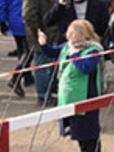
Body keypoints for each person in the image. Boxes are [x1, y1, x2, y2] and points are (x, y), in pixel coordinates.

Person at [39, 20, 104, 152]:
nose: (68, 35)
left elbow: (85, 68)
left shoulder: (94, 50)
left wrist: (74, 55)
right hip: (70, 96)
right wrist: (43, 44)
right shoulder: (69, 45)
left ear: (82, 34)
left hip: (86, 97)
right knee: (79, 134)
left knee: (88, 136)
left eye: (71, 33)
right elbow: (53, 52)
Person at [21, 0, 59, 105]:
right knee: (42, 66)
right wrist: (40, 31)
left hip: (52, 31)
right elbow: (28, 15)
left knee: (50, 64)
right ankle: (43, 96)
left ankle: (50, 89)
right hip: (41, 35)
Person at [45, 0, 111, 41]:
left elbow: (104, 27)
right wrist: (60, 5)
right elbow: (48, 21)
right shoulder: (63, 4)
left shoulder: (99, 5)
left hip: (91, 41)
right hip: (67, 42)